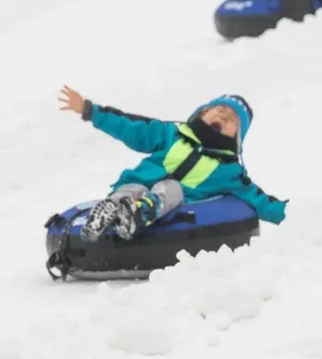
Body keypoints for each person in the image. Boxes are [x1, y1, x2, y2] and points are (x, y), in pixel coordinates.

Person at [57, 85, 287, 242]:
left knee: (172, 188)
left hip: (172, 205)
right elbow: (130, 126)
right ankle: (111, 211)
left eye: (231, 120)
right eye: (219, 110)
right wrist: (90, 110)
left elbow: (263, 203)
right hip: (135, 185)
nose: (223, 116)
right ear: (202, 113)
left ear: (237, 137)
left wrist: (299, 215)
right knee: (131, 188)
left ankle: (140, 213)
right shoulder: (170, 133)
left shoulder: (230, 171)